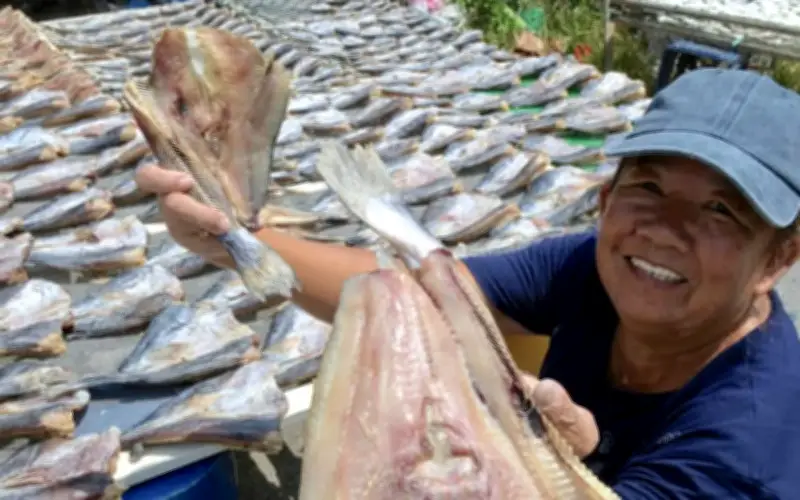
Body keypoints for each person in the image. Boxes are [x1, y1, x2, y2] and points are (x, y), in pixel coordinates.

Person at [136, 68, 800, 498]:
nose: (664, 230)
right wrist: (234, 240)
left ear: (779, 259)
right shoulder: (598, 267)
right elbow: (414, 295)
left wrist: (566, 462)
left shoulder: (741, 450)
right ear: (606, 201)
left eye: (722, 210)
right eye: (649, 186)